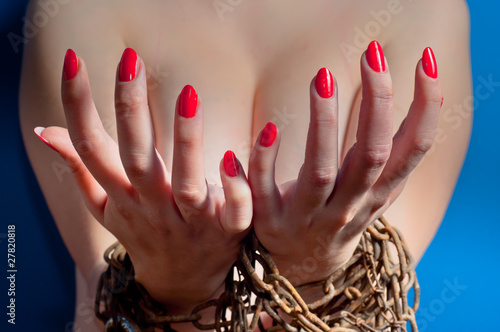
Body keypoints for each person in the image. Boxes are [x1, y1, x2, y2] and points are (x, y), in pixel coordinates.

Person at [19, 0, 471, 330]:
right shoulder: (78, 9)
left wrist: (315, 277)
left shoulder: (424, 11)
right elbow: (104, 299)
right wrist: (173, 290)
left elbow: (384, 300)